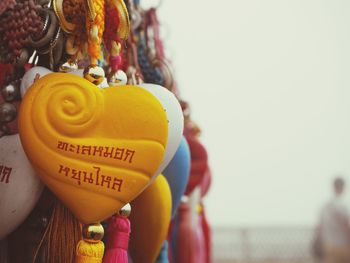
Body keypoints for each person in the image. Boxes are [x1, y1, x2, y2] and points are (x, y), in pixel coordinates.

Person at [318, 177, 350, 263]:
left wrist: (319, 241)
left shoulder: (325, 205)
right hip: (342, 245)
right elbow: (346, 225)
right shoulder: (342, 205)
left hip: (328, 244)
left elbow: (319, 227)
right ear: (343, 187)